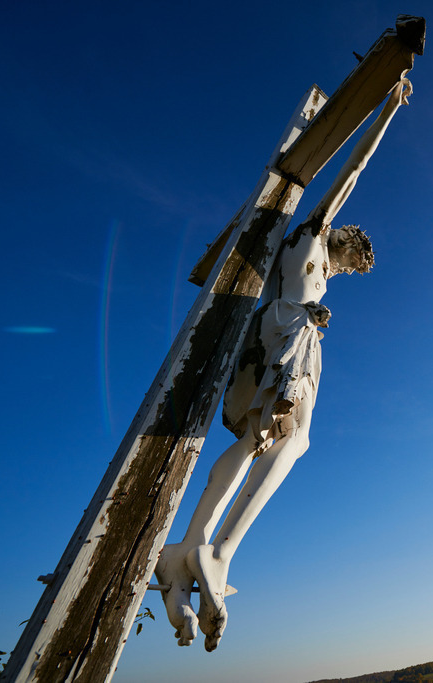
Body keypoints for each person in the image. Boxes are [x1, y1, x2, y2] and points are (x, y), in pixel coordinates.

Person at [154, 78, 410, 651]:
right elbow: (350, 172)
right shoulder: (314, 234)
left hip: (275, 331)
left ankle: (187, 552)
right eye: (350, 262)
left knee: (256, 440)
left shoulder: (305, 261)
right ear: (345, 241)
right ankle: (217, 552)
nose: (344, 272)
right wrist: (386, 109)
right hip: (287, 333)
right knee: (292, 443)